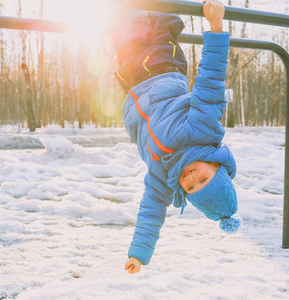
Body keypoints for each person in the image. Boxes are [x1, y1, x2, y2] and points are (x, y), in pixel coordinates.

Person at [111, 0, 241, 275]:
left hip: (131, 82)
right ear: (216, 168)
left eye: (192, 188)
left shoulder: (164, 176)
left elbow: (151, 212)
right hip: (161, 66)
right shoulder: (203, 129)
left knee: (123, 28)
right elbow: (212, 78)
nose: (192, 179)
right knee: (150, 19)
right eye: (203, 179)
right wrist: (216, 26)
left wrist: (139, 254)